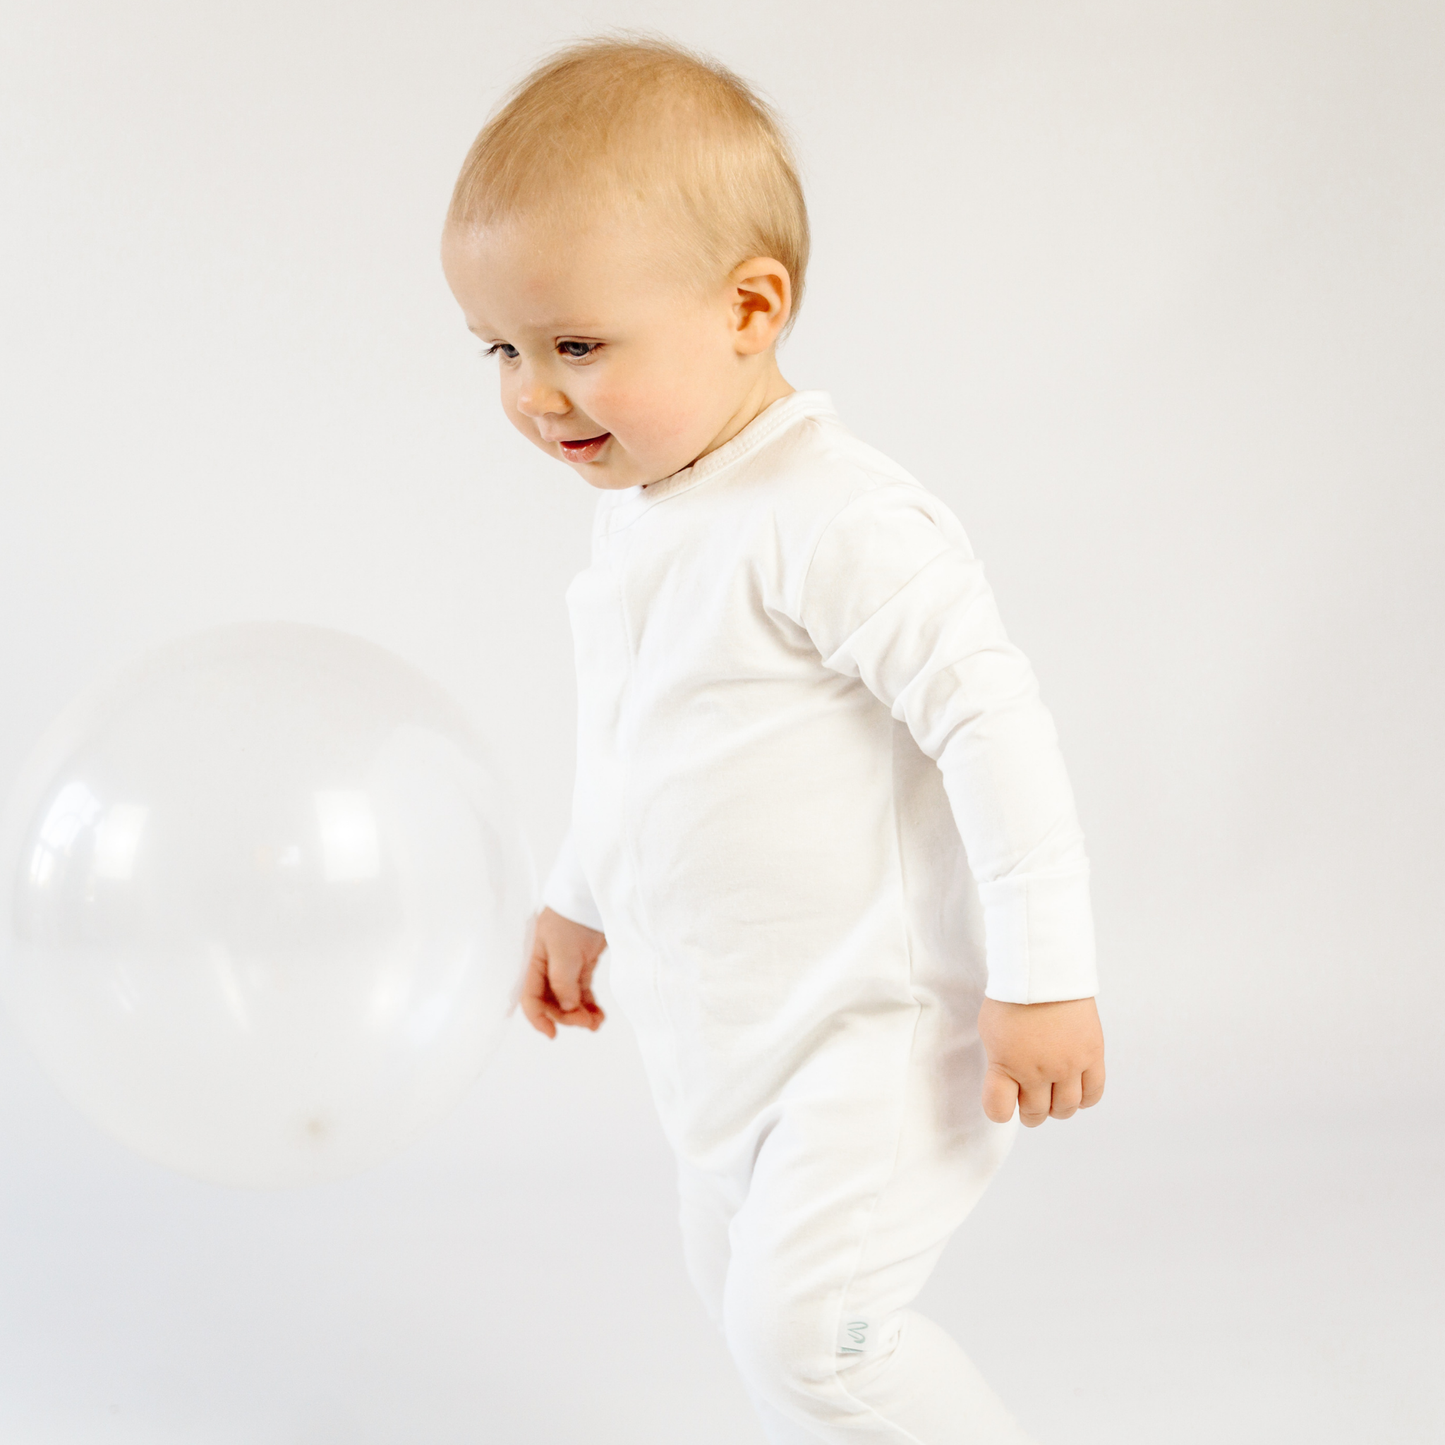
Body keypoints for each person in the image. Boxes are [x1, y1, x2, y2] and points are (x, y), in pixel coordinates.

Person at [441, 32, 1105, 1444]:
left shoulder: (837, 517)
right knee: (749, 1311)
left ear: (751, 308)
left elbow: (993, 724)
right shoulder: (647, 517)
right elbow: (639, 739)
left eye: (578, 346)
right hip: (727, 1035)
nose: (532, 394)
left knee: (814, 1341)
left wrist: (1047, 973)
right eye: (501, 348)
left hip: (876, 1038)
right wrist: (578, 889)